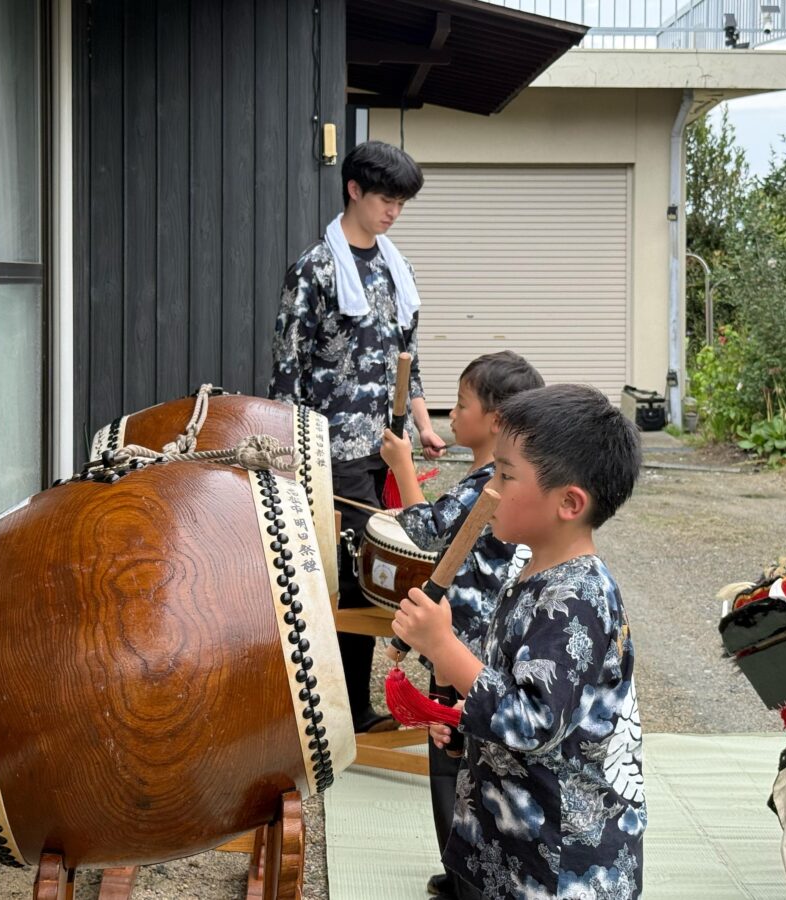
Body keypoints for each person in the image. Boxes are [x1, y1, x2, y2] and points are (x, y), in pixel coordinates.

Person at [393, 384, 647, 900]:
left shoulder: (577, 596)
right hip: (511, 841)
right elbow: (508, 683)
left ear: (569, 503)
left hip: (560, 862)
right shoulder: (530, 570)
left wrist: (443, 647)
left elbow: (534, 720)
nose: (489, 489)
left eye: (505, 476)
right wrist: (467, 722)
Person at [270, 140, 446, 734]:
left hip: (386, 446)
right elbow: (286, 369)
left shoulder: (398, 269)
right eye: (386, 200)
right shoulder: (316, 268)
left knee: (381, 574)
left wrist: (424, 424)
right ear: (354, 190)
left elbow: (407, 359)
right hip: (327, 451)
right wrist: (289, 454)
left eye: (402, 203)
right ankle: (340, 712)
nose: (393, 212)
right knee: (348, 577)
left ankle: (349, 707)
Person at [379, 351, 544, 899]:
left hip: (464, 644)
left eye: (464, 401)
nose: (453, 410)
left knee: (456, 760)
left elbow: (426, 532)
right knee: (461, 756)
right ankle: (462, 869)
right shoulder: (490, 479)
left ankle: (466, 873)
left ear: (496, 420)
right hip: (473, 641)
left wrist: (402, 465)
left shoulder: (484, 485)